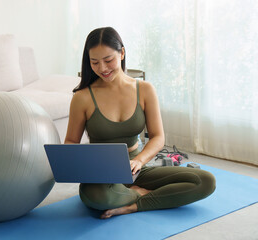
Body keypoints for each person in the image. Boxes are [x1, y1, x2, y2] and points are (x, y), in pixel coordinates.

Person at [64, 27, 216, 219]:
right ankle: (140, 194)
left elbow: (158, 136)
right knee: (96, 197)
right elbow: (70, 142)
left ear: (122, 53)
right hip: (101, 175)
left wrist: (139, 161)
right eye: (94, 62)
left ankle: (132, 204)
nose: (102, 68)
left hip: (137, 168)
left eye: (108, 60)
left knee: (204, 181)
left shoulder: (144, 90)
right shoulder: (82, 98)